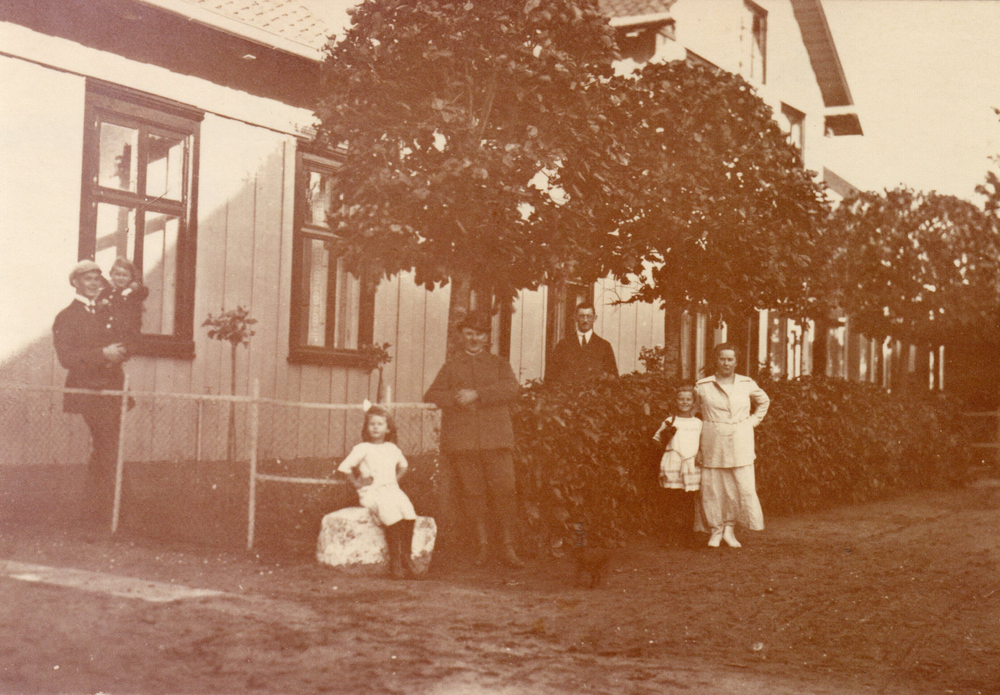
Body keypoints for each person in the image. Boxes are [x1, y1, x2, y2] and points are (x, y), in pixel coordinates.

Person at [424, 309, 524, 567]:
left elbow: (512, 389)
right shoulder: (452, 365)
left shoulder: (499, 363)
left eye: (479, 334)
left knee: (505, 491)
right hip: (464, 441)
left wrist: (478, 394)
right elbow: (432, 394)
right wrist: (457, 398)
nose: (474, 339)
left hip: (496, 439)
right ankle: (482, 547)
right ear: (461, 335)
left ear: (486, 338)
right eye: (469, 333)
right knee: (473, 493)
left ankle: (508, 548)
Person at [52, 260, 128, 528]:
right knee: (106, 444)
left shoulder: (109, 311)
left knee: (108, 447)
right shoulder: (66, 316)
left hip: (112, 388)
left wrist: (118, 353)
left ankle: (98, 511)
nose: (95, 283)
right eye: (88, 279)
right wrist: (102, 355)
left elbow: (127, 338)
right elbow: (67, 358)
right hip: (88, 391)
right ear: (75, 282)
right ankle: (98, 512)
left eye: (97, 278)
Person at [695, 342, 770, 548]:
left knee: (738, 487)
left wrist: (751, 422)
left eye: (730, 359)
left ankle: (729, 529)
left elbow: (764, 402)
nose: (726, 363)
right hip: (712, 439)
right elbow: (693, 414)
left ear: (736, 362)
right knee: (712, 486)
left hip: (740, 439)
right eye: (722, 358)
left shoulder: (747, 383)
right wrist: (697, 445)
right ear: (715, 360)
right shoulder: (702, 385)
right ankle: (715, 530)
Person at [336, 404, 423, 579]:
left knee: (409, 513)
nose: (375, 427)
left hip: (391, 489)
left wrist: (393, 480)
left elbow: (404, 466)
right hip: (371, 492)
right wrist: (357, 484)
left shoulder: (392, 448)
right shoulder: (362, 448)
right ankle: (395, 563)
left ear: (388, 428)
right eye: (372, 424)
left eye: (380, 424)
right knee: (392, 515)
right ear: (366, 428)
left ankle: (406, 557)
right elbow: (344, 468)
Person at [652, 385, 703, 547]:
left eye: (688, 399)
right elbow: (656, 440)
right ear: (675, 401)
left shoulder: (698, 423)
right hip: (673, 461)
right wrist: (665, 437)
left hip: (690, 464)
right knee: (670, 501)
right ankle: (669, 536)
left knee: (688, 501)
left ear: (694, 402)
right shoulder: (670, 421)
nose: (684, 402)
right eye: (681, 399)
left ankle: (688, 537)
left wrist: (700, 453)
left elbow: (702, 442)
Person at [545, 302, 618, 386]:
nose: (585, 320)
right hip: (568, 397)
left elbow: (613, 378)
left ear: (595, 318)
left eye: (589, 316)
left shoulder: (604, 346)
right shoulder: (564, 344)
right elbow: (550, 377)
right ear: (575, 318)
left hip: (595, 397)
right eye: (581, 316)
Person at [100, 257, 148, 353]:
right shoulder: (107, 291)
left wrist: (133, 287)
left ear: (131, 278)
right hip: (108, 337)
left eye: (125, 275)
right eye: (117, 274)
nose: (121, 278)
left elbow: (144, 291)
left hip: (127, 336)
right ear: (111, 275)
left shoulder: (132, 293)